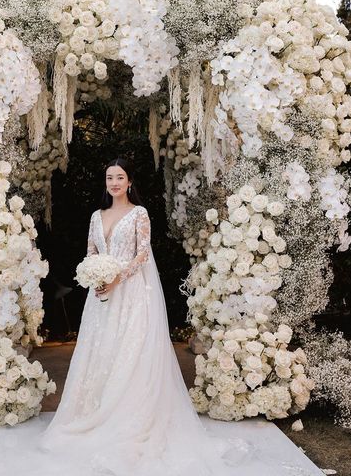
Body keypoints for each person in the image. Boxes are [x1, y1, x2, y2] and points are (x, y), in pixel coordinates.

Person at [35, 158, 303, 475]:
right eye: (110, 178)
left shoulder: (139, 213)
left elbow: (143, 252)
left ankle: (128, 417)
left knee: (129, 352)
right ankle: (92, 412)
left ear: (130, 182)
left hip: (130, 291)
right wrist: (96, 277)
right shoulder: (97, 215)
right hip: (100, 296)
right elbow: (92, 251)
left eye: (120, 177)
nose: (114, 183)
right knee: (99, 351)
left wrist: (117, 277)